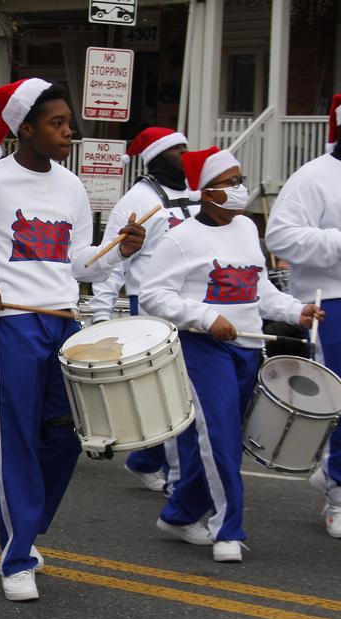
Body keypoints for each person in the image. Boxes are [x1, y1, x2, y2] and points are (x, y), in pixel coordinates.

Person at [0, 79, 145, 602]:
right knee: (17, 435)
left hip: (64, 319)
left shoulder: (72, 187)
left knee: (65, 436)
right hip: (13, 323)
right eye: (58, 124)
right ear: (26, 128)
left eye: (68, 123)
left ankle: (10, 517)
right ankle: (16, 557)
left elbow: (78, 262)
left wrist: (118, 251)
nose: (69, 132)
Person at [140, 147, 322, 562]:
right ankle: (228, 529)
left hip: (248, 348)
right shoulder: (180, 238)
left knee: (225, 441)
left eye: (241, 180)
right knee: (219, 438)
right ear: (206, 192)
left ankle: (180, 513)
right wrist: (205, 317)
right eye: (230, 182)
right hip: (204, 349)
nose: (240, 190)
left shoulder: (244, 230)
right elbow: (152, 295)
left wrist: (297, 310)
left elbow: (258, 291)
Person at [94, 127, 200, 493]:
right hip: (152, 305)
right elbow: (112, 262)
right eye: (178, 151)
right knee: (172, 394)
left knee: (183, 393)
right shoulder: (136, 200)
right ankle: (175, 476)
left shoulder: (196, 194)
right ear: (156, 157)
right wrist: (100, 317)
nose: (186, 155)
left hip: (195, 304)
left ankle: (146, 459)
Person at [264, 93, 341, 538]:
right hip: (332, 298)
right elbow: (281, 235)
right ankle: (337, 490)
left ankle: (333, 475)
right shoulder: (314, 177)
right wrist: (337, 242)